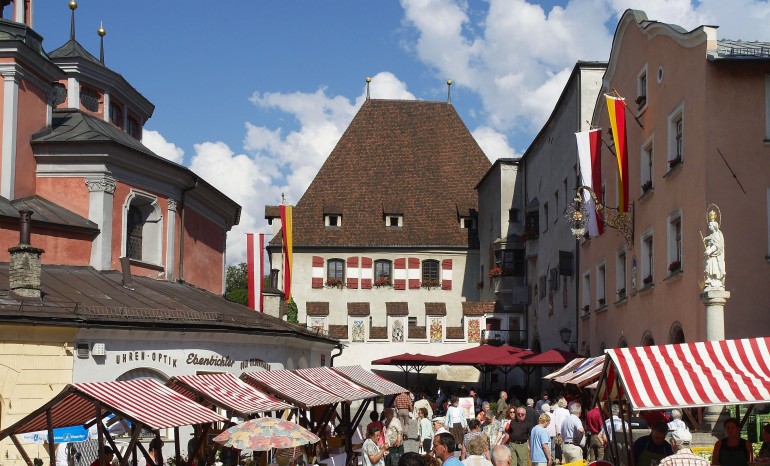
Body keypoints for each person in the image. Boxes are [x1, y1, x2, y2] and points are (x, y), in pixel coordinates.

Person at [703, 214, 726, 291]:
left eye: (710, 226)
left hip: (715, 257)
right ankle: (710, 279)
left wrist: (710, 250)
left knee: (714, 268)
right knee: (708, 266)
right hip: (710, 257)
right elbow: (710, 238)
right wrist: (706, 239)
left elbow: (717, 245)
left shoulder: (717, 234)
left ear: (714, 226)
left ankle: (715, 281)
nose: (709, 227)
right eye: (709, 225)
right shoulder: (712, 235)